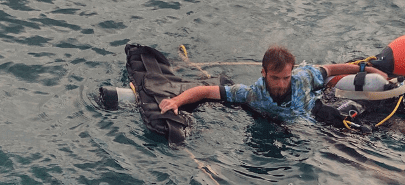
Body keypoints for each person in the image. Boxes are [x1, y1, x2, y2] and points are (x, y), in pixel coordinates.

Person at [159, 45, 389, 123]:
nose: (281, 84)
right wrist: (177, 100)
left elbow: (330, 69)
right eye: (275, 78)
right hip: (290, 129)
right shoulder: (251, 94)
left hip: (318, 113)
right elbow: (206, 90)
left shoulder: (303, 77)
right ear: (264, 73)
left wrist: (364, 68)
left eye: (285, 78)